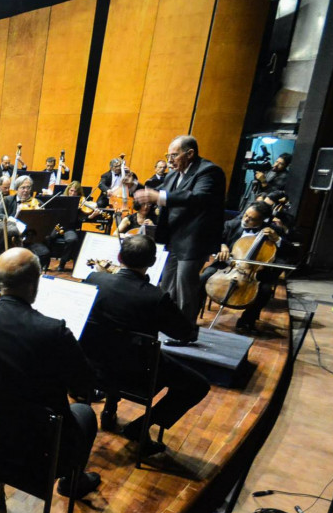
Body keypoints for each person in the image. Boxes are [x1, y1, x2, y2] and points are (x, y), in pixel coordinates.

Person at [0, 249, 102, 513]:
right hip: (33, 448)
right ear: (35, 284)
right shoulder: (53, 331)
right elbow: (84, 385)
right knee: (84, 414)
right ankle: (73, 482)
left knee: (0, 398)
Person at [82, 235, 210, 453]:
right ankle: (140, 427)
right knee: (198, 385)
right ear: (152, 263)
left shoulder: (94, 279)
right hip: (137, 374)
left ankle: (110, 409)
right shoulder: (155, 297)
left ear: (119, 257)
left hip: (92, 368)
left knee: (117, 343)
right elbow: (184, 333)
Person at [134, 135, 226, 322]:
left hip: (193, 241)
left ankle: (186, 331)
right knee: (167, 284)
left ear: (190, 153)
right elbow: (156, 191)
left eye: (174, 156)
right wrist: (136, 188)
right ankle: (166, 323)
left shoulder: (209, 171)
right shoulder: (173, 175)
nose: (170, 161)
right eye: (168, 156)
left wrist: (158, 197)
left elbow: (197, 198)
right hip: (173, 238)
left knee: (186, 288)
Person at [199, 202, 282, 332]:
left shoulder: (272, 231)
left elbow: (291, 253)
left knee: (265, 290)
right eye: (246, 215)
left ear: (262, 220)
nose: (246, 219)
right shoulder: (233, 224)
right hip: (227, 266)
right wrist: (221, 245)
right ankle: (192, 313)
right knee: (204, 277)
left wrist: (277, 240)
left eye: (251, 219)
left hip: (253, 272)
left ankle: (246, 322)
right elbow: (214, 237)